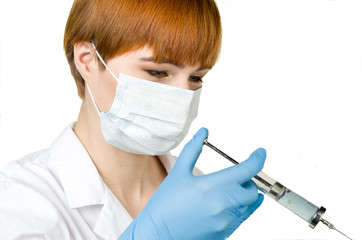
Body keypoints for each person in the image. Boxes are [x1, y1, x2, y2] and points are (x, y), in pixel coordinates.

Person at [0, 0, 266, 239]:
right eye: (157, 72)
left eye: (196, 77)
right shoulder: (21, 200)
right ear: (87, 60)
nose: (182, 96)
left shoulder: (194, 189)